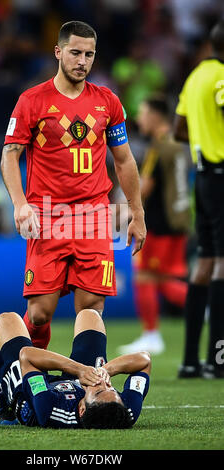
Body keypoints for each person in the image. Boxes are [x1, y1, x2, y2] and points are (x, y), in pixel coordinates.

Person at [0, 21, 146, 350]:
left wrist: (137, 213)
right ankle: (29, 372)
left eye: (89, 55)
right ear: (58, 52)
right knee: (39, 314)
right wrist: (20, 203)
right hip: (47, 214)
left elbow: (124, 161)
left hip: (93, 214)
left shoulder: (108, 102)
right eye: (75, 53)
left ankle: (85, 392)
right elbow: (10, 156)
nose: (82, 61)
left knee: (92, 308)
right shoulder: (31, 101)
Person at [0, 308, 151, 428]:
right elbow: (144, 360)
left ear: (81, 409)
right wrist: (106, 371)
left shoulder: (49, 408)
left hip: (33, 391)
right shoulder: (124, 411)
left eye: (100, 391)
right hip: (79, 386)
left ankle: (4, 411)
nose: (104, 383)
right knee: (90, 315)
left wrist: (79, 370)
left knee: (7, 319)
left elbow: (27, 356)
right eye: (113, 389)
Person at [118, 96, 191, 355]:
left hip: (159, 223)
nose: (139, 118)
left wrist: (126, 211)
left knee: (145, 277)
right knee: (160, 279)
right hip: (178, 221)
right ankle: (205, 305)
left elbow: (145, 186)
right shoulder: (177, 144)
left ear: (156, 116)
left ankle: (151, 335)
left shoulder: (159, 147)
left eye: (143, 112)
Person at [173, 20, 224, 378]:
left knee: (205, 261)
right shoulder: (221, 77)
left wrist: (204, 138)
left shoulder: (195, 77)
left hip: (203, 176)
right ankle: (218, 360)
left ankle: (191, 360)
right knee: (222, 261)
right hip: (223, 175)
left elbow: (179, 129)